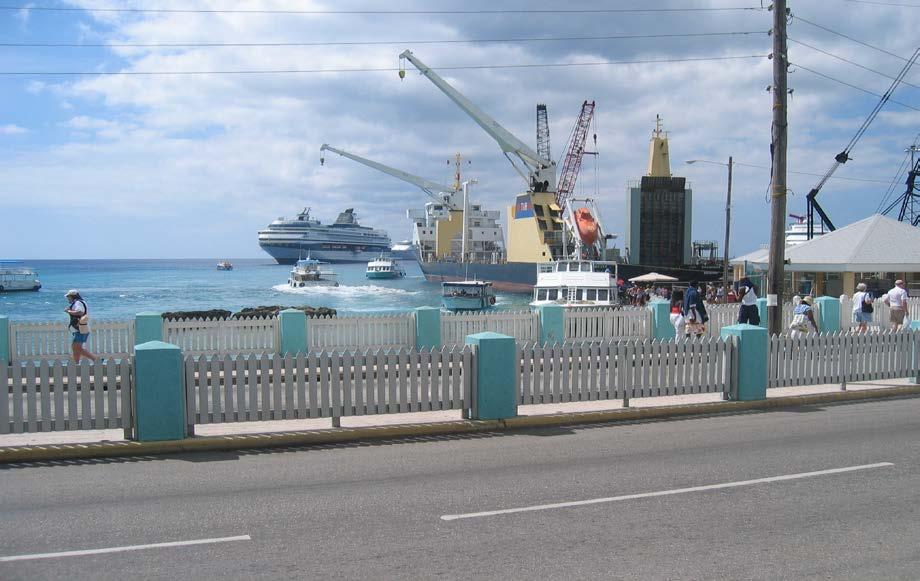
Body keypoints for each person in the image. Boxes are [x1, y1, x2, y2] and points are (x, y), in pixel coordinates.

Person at [64, 289, 97, 363]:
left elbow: (80, 312)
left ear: (71, 297)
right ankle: (76, 364)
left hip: (80, 329)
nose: (68, 299)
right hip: (82, 328)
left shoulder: (77, 303)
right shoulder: (81, 302)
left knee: (77, 348)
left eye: (68, 297)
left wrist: (68, 311)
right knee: (75, 348)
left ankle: (96, 360)